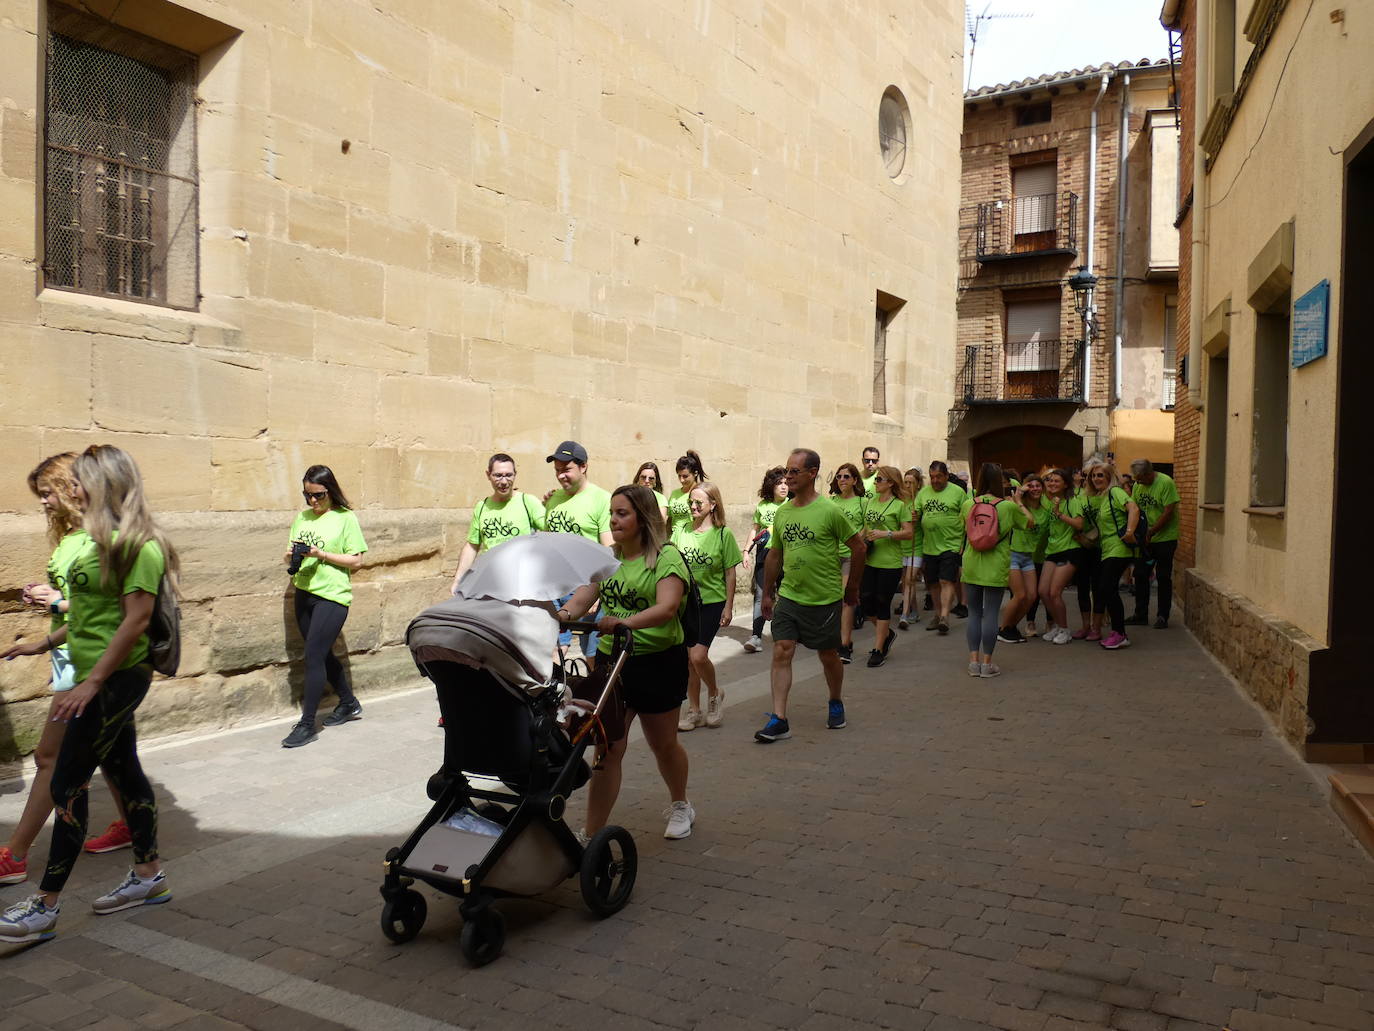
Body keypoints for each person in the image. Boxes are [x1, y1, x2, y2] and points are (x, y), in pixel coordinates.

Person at [0, 446, 178, 945]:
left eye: (78, 481)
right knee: (126, 772)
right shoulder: (93, 543)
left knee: (67, 785)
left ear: (103, 483)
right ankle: (149, 877)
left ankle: (45, 906)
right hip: (94, 673)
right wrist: (44, 641)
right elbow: (90, 614)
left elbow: (136, 620)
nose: (71, 488)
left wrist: (93, 681)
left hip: (117, 677)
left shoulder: (138, 544)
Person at [0, 455, 128, 888]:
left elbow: (106, 606)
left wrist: (54, 602)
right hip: (69, 652)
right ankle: (136, 832)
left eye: (49, 492)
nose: (45, 503)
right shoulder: (72, 537)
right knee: (112, 752)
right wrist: (45, 616)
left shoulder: (98, 538)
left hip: (87, 658)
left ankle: (16, 855)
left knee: (49, 757)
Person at [560, 485, 694, 840]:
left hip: (658, 662)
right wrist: (561, 614)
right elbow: (583, 597)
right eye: (613, 513)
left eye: (623, 513)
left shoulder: (666, 557)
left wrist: (624, 622)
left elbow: (666, 608)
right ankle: (592, 834)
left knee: (662, 745)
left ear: (642, 518)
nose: (614, 520)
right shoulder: (608, 558)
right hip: (612, 661)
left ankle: (681, 803)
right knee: (608, 748)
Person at [756, 449, 865, 742]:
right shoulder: (784, 512)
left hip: (825, 598)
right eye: (786, 472)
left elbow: (859, 547)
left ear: (812, 473)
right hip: (790, 595)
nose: (787, 477)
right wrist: (767, 593)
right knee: (782, 649)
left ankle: (835, 700)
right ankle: (779, 719)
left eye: (794, 471)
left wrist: (852, 587)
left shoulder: (830, 511)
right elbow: (775, 554)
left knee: (828, 655)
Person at [282, 465, 367, 748]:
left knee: (313, 655)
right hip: (304, 592)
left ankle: (307, 724)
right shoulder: (302, 518)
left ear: (329, 491)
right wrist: (292, 556)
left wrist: (320, 554)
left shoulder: (346, 519)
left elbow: (356, 561)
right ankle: (348, 703)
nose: (313, 502)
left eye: (318, 495)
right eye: (307, 496)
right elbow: (289, 552)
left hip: (332, 595)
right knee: (321, 653)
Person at [673, 481, 742, 731]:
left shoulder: (723, 534)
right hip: (685, 603)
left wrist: (729, 606)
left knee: (698, 655)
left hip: (712, 602)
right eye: (690, 502)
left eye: (698, 502)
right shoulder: (681, 531)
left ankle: (714, 693)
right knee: (689, 662)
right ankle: (693, 710)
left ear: (713, 505)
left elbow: (730, 574)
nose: (692, 506)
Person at [544, 441, 614, 661]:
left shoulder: (602, 499)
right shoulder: (553, 499)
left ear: (583, 466)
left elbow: (609, 550)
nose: (561, 476)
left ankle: (602, 696)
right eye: (557, 470)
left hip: (589, 590)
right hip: (555, 590)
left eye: (566, 470)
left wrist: (597, 593)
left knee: (593, 656)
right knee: (554, 652)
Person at [960, 463, 1026, 677]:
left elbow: (966, 529)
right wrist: (1018, 503)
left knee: (973, 613)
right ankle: (987, 664)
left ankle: (973, 662)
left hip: (971, 562)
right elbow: (1030, 524)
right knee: (990, 614)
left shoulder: (968, 503)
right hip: (996, 564)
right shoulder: (1007, 507)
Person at [450, 453, 545, 593]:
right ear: (488, 475)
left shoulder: (527, 502)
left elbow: (552, 529)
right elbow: (472, 546)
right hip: (491, 583)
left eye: (509, 475)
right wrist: (458, 580)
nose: (504, 481)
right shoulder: (482, 507)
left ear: (515, 475)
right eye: (498, 475)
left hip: (523, 583)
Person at [858, 465, 914, 667]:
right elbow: (866, 529)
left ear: (890, 482)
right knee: (865, 601)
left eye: (879, 479)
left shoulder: (900, 505)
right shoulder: (871, 501)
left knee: (882, 602)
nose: (875, 483)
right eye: (875, 480)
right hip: (870, 559)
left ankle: (879, 648)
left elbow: (908, 533)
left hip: (890, 562)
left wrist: (886, 534)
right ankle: (887, 633)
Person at [1088, 461, 1142, 650]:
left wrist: (1129, 531)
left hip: (1119, 548)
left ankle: (1120, 633)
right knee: (1106, 589)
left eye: (1100, 475)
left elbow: (1134, 509)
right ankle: (1118, 632)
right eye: (1094, 476)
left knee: (1107, 588)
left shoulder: (1115, 492)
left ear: (1109, 477)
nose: (1096, 479)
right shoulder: (1102, 497)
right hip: (1108, 548)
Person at [913, 461, 968, 635]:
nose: (935, 480)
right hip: (929, 545)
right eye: (932, 477)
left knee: (947, 580)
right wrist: (915, 517)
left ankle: (945, 616)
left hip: (951, 544)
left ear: (946, 476)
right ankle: (938, 614)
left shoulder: (958, 492)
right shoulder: (923, 493)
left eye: (938, 477)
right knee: (933, 584)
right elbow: (917, 514)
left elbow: (967, 517)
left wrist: (963, 544)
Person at [1036, 468, 1088, 645]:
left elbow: (1080, 524)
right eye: (1049, 480)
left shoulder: (1073, 500)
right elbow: (1031, 487)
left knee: (1054, 592)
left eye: (1056, 481)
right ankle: (1058, 626)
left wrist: (1059, 514)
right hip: (1052, 550)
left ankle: (1065, 629)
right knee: (1043, 591)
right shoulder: (1046, 500)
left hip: (1070, 549)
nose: (1051, 483)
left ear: (1066, 484)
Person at [1127, 459, 1181, 629]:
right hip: (1145, 539)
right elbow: (1134, 508)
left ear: (1150, 473)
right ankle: (1140, 614)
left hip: (1165, 538)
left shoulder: (1166, 482)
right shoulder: (1137, 485)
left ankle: (1162, 615)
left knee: (1163, 576)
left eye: (1141, 478)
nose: (1138, 482)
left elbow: (1168, 512)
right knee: (1141, 575)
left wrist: (1152, 531)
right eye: (1136, 479)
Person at [997, 473, 1046, 644]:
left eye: (1038, 485)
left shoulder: (1044, 509)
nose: (1034, 489)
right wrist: (1018, 498)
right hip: (1012, 553)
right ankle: (1003, 629)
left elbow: (1034, 524)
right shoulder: (1013, 504)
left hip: (1028, 556)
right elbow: (1028, 521)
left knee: (1032, 596)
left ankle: (1011, 626)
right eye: (1030, 486)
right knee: (1019, 595)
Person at [742, 466, 787, 653]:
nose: (784, 486)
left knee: (785, 595)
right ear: (772, 486)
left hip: (786, 556)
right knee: (761, 595)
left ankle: (785, 633)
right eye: (779, 483)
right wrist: (746, 550)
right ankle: (756, 636)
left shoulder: (793, 504)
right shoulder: (763, 505)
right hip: (763, 555)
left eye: (786, 483)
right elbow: (755, 529)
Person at [827, 462, 866, 663]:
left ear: (855, 480)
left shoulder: (862, 502)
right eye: (839, 476)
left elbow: (866, 528)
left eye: (846, 477)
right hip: (832, 556)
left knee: (846, 599)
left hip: (851, 556)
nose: (842, 480)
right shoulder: (831, 502)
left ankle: (844, 644)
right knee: (834, 600)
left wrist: (857, 540)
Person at [898, 468, 926, 631]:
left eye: (911, 483)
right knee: (906, 582)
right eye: (906, 482)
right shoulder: (901, 501)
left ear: (918, 484)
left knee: (910, 579)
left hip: (917, 546)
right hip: (902, 547)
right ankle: (914, 610)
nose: (908, 486)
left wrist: (919, 517)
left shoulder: (920, 500)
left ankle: (904, 614)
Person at [666, 451, 707, 534]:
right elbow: (669, 519)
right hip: (674, 540)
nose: (681, 480)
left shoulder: (701, 494)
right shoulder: (674, 494)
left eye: (685, 476)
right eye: (679, 476)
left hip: (692, 538)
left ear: (695, 473)